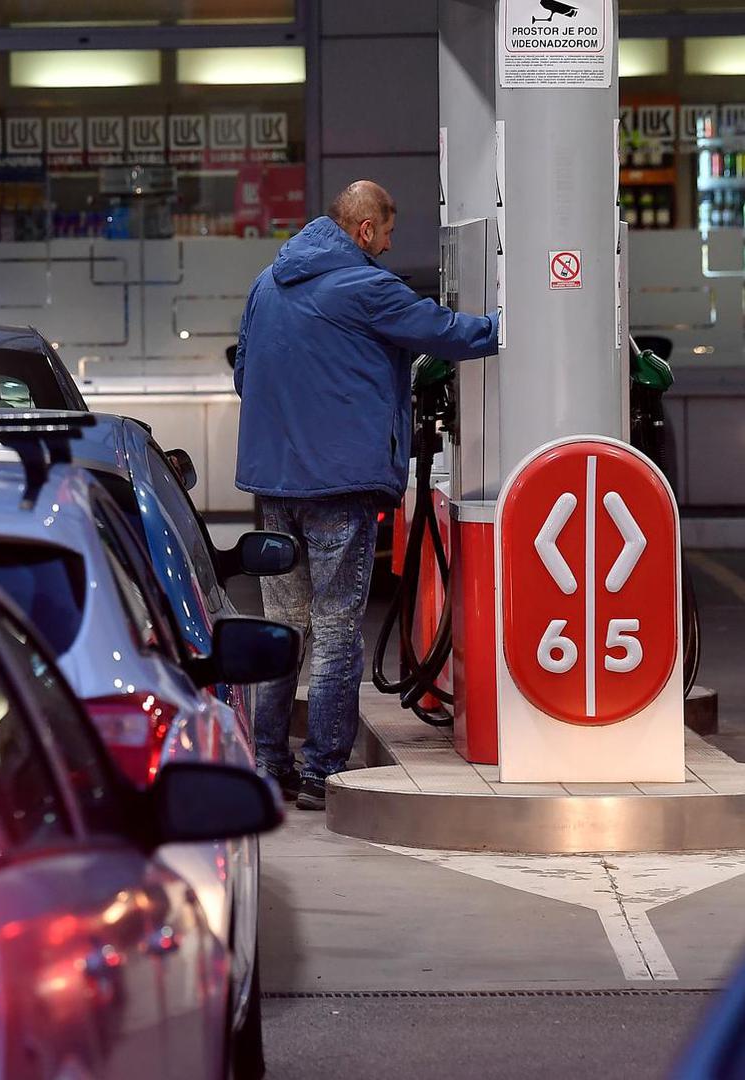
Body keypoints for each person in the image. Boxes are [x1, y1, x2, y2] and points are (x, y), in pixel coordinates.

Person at [233, 180, 500, 811]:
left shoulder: (265, 285)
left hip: (275, 485)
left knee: (283, 627)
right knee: (334, 629)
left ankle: (267, 761)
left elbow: (245, 372)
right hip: (340, 485)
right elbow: (453, 334)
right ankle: (322, 770)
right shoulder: (366, 286)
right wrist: (528, 320)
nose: (387, 244)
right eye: (386, 232)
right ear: (364, 230)